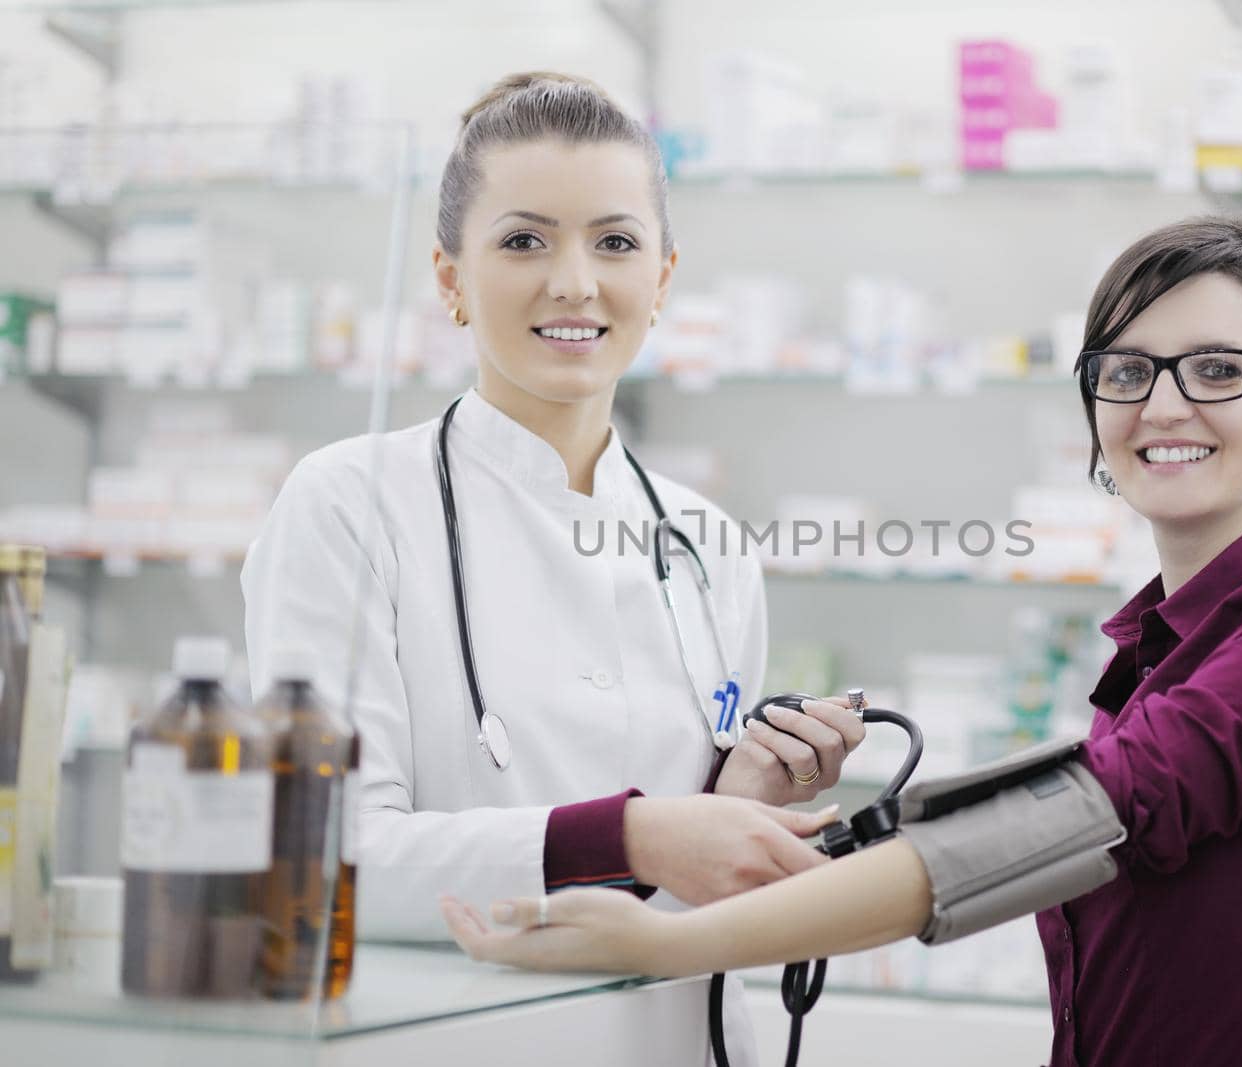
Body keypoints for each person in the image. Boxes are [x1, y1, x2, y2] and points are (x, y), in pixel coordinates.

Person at [439, 216, 1242, 1067]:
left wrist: (670, 944)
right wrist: (764, 833)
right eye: (1125, 370)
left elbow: (1082, 817)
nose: (1162, 405)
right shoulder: (1155, 651)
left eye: (1217, 368)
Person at [242, 72, 867, 1064]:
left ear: (661, 278)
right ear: (449, 277)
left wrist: (742, 789)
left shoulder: (709, 542)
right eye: (524, 240)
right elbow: (321, 856)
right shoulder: (349, 503)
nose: (574, 281)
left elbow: (684, 871)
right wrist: (631, 834)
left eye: (614, 242)